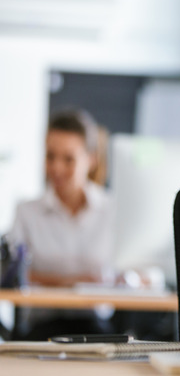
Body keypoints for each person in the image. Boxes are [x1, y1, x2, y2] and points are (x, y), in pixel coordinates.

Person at [6, 109, 115, 339]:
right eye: (50, 156)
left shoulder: (112, 210)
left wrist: (48, 280)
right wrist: (78, 282)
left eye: (68, 159)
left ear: (91, 159)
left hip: (97, 327)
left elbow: (132, 273)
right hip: (41, 327)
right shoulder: (27, 211)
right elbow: (12, 274)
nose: (56, 168)